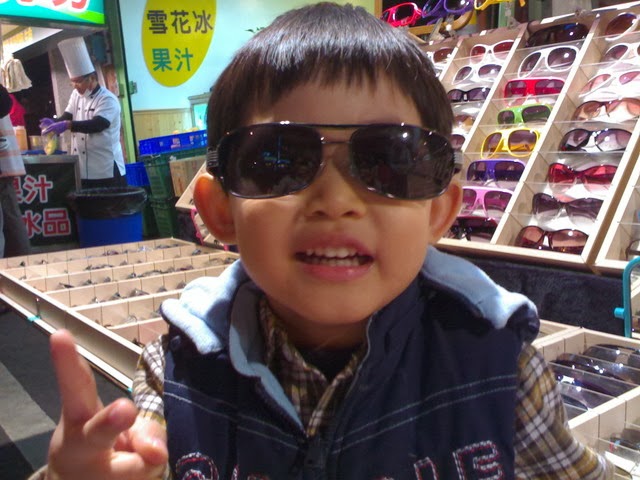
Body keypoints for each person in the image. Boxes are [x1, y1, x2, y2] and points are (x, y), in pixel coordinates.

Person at [32, 3, 612, 479]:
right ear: (218, 210)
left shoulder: (500, 368)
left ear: (439, 210)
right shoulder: (179, 373)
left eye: (390, 160)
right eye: (279, 160)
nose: (336, 200)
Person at [40, 37, 127, 189]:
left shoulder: (107, 99)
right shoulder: (76, 95)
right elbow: (68, 115)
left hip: (106, 168)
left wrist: (67, 125)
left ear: (92, 78)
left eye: (78, 81)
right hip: (82, 169)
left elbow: (98, 124)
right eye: (72, 82)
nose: (75, 86)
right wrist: (54, 123)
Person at [0, 84, 30, 258]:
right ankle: (22, 260)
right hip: (5, 162)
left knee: (10, 217)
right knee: (10, 216)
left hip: (3, 163)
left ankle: (21, 261)